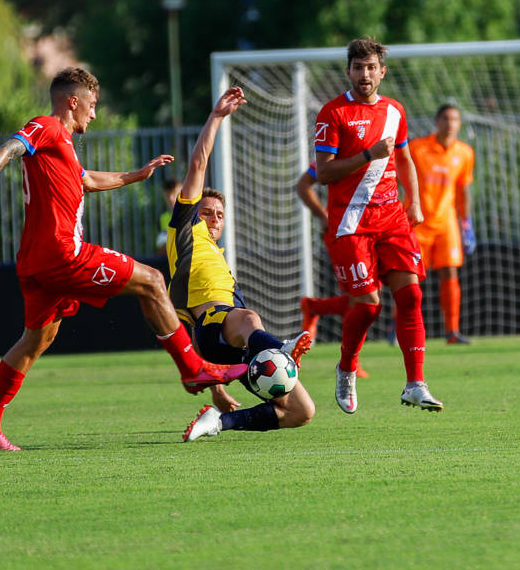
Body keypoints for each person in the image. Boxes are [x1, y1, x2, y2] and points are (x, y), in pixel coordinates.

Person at [0, 67, 248, 450]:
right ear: (73, 102)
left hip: (35, 264)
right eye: (92, 106)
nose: (94, 115)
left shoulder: (61, 146)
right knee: (152, 280)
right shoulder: (45, 127)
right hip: (63, 253)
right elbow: (12, 146)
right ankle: (193, 368)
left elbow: (85, 180)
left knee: (37, 338)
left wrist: (135, 175)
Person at [164, 87, 315, 442]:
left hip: (233, 346)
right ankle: (280, 347)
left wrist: (215, 386)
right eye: (206, 212)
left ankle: (218, 422)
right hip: (223, 325)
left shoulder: (219, 258)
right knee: (249, 318)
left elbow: (188, 329)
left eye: (219, 214)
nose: (213, 218)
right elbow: (199, 163)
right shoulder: (185, 231)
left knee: (300, 412)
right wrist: (216, 117)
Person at [314, 38, 443, 414]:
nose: (365, 75)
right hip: (351, 222)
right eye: (358, 68)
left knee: (412, 295)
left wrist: (414, 201)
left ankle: (415, 384)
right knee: (369, 307)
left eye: (371, 68)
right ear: (348, 71)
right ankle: (346, 366)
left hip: (392, 218)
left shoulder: (395, 111)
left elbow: (404, 161)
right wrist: (369, 155)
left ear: (382, 72)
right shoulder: (332, 113)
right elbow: (323, 173)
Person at [294, 161, 370, 378]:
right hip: (343, 231)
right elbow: (303, 185)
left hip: (372, 229)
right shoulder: (332, 155)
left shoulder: (377, 150)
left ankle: (314, 307)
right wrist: (322, 215)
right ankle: (351, 363)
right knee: (363, 297)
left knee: (365, 297)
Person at [408, 104, 476, 344]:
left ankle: (452, 331)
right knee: (409, 277)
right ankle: (400, 329)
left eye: (455, 119)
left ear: (459, 124)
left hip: (447, 221)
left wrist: (466, 224)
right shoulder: (418, 148)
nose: (450, 124)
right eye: (446, 118)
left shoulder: (465, 153)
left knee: (450, 271)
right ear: (436, 121)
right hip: (417, 221)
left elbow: (463, 190)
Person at [155, 178, 181, 255]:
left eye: (174, 194)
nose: (171, 198)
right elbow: (161, 245)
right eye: (168, 195)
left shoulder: (190, 214)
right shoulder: (163, 218)